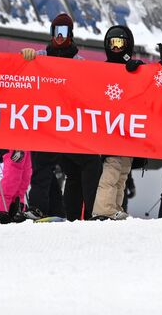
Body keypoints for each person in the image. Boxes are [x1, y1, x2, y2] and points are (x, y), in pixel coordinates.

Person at [22, 13, 102, 220]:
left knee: (85, 165)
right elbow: (22, 64)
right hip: (47, 123)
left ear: (70, 33)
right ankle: (39, 208)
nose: (59, 36)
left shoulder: (79, 61)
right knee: (42, 166)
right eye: (56, 31)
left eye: (63, 32)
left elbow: (92, 87)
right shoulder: (42, 56)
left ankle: (91, 212)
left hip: (69, 127)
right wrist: (27, 55)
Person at [91, 25, 143, 220]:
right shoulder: (103, 70)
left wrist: (139, 70)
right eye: (112, 43)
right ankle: (103, 208)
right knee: (112, 168)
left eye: (120, 43)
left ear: (127, 45)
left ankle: (115, 206)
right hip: (110, 129)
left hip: (128, 128)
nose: (115, 48)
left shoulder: (133, 68)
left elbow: (145, 89)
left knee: (123, 172)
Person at [0, 149, 32, 224]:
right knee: (12, 177)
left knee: (24, 177)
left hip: (29, 142)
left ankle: (16, 209)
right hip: (13, 141)